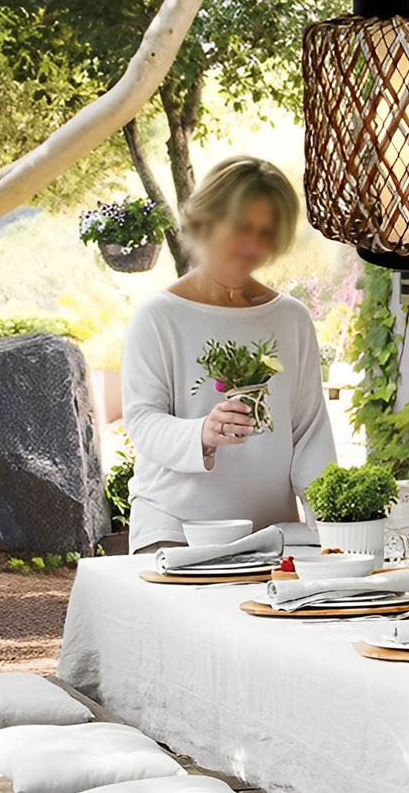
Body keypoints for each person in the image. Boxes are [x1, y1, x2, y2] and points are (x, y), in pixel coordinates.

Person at [121, 156, 335, 554]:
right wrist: (201, 433)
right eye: (242, 228)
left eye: (266, 233)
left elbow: (310, 433)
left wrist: (331, 526)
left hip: (273, 535)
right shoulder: (159, 316)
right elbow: (142, 421)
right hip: (175, 532)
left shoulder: (290, 319)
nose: (254, 246)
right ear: (209, 219)